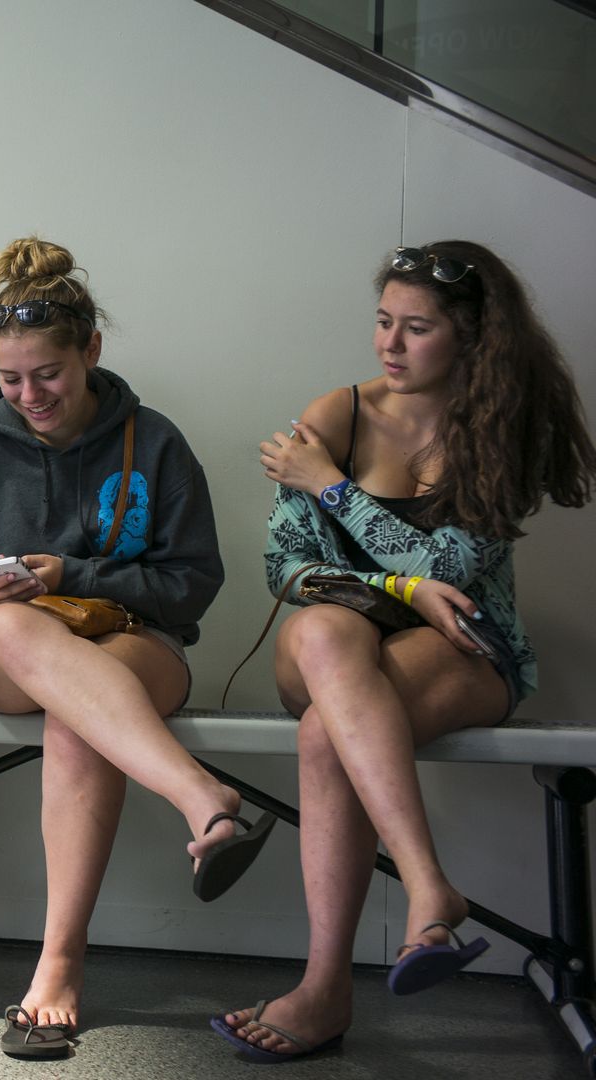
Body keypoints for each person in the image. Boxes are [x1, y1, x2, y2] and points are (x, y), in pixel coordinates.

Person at [215, 241, 596, 1062]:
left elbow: (457, 570)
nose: (389, 344)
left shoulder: (502, 429)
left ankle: (323, 992)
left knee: (328, 733)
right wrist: (398, 590)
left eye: (415, 328)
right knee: (322, 629)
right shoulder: (338, 416)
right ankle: (427, 883)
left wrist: (333, 487)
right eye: (383, 321)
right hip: (334, 639)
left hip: (464, 650)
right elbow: (285, 569)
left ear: (469, 337)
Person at [0, 237, 231, 1059]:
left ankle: (57, 968)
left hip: (132, 643)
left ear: (90, 350)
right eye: (10, 379)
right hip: (6, 652)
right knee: (19, 631)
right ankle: (202, 800)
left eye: (48, 374)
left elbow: (195, 584)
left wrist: (81, 573)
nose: (30, 394)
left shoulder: (156, 442)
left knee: (81, 718)